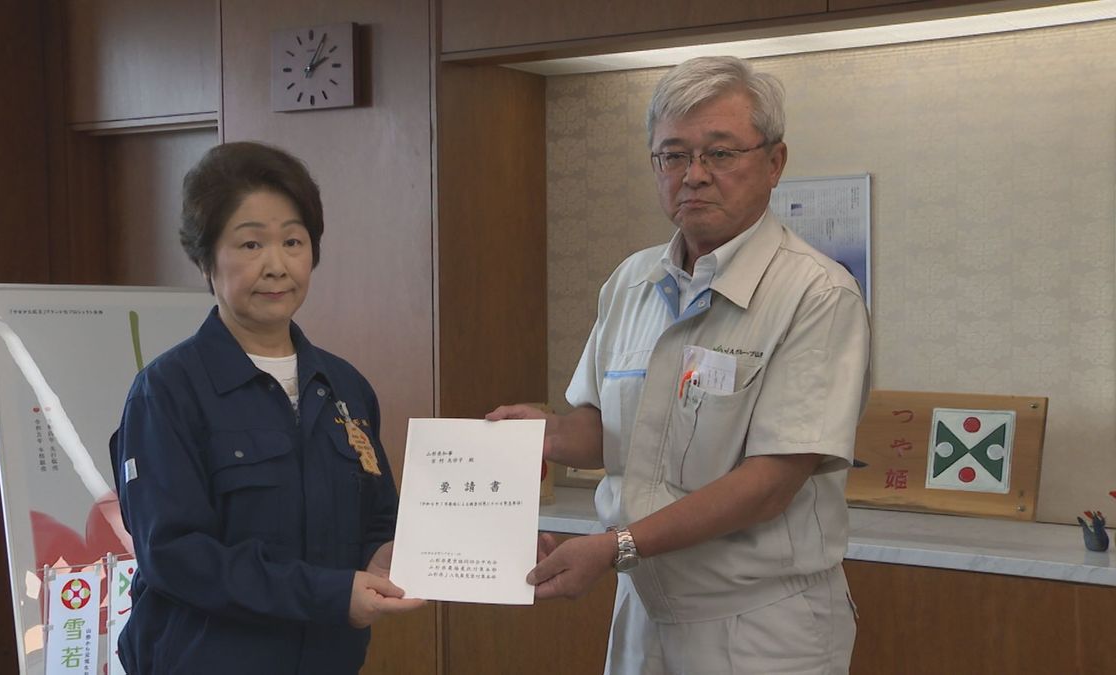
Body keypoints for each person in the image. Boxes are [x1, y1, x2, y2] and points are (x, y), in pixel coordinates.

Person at [488, 56, 870, 674]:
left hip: (761, 626)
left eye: (720, 154)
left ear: (774, 163)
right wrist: (545, 434)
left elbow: (771, 482)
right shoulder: (631, 282)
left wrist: (617, 546)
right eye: (672, 156)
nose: (694, 175)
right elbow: (608, 429)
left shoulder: (816, 294)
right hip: (642, 608)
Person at [109, 141, 423, 674]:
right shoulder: (166, 391)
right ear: (206, 259)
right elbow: (176, 556)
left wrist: (382, 553)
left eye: (293, 241)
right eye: (251, 244)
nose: (277, 266)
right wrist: (328, 592)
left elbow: (378, 513)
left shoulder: (345, 387)